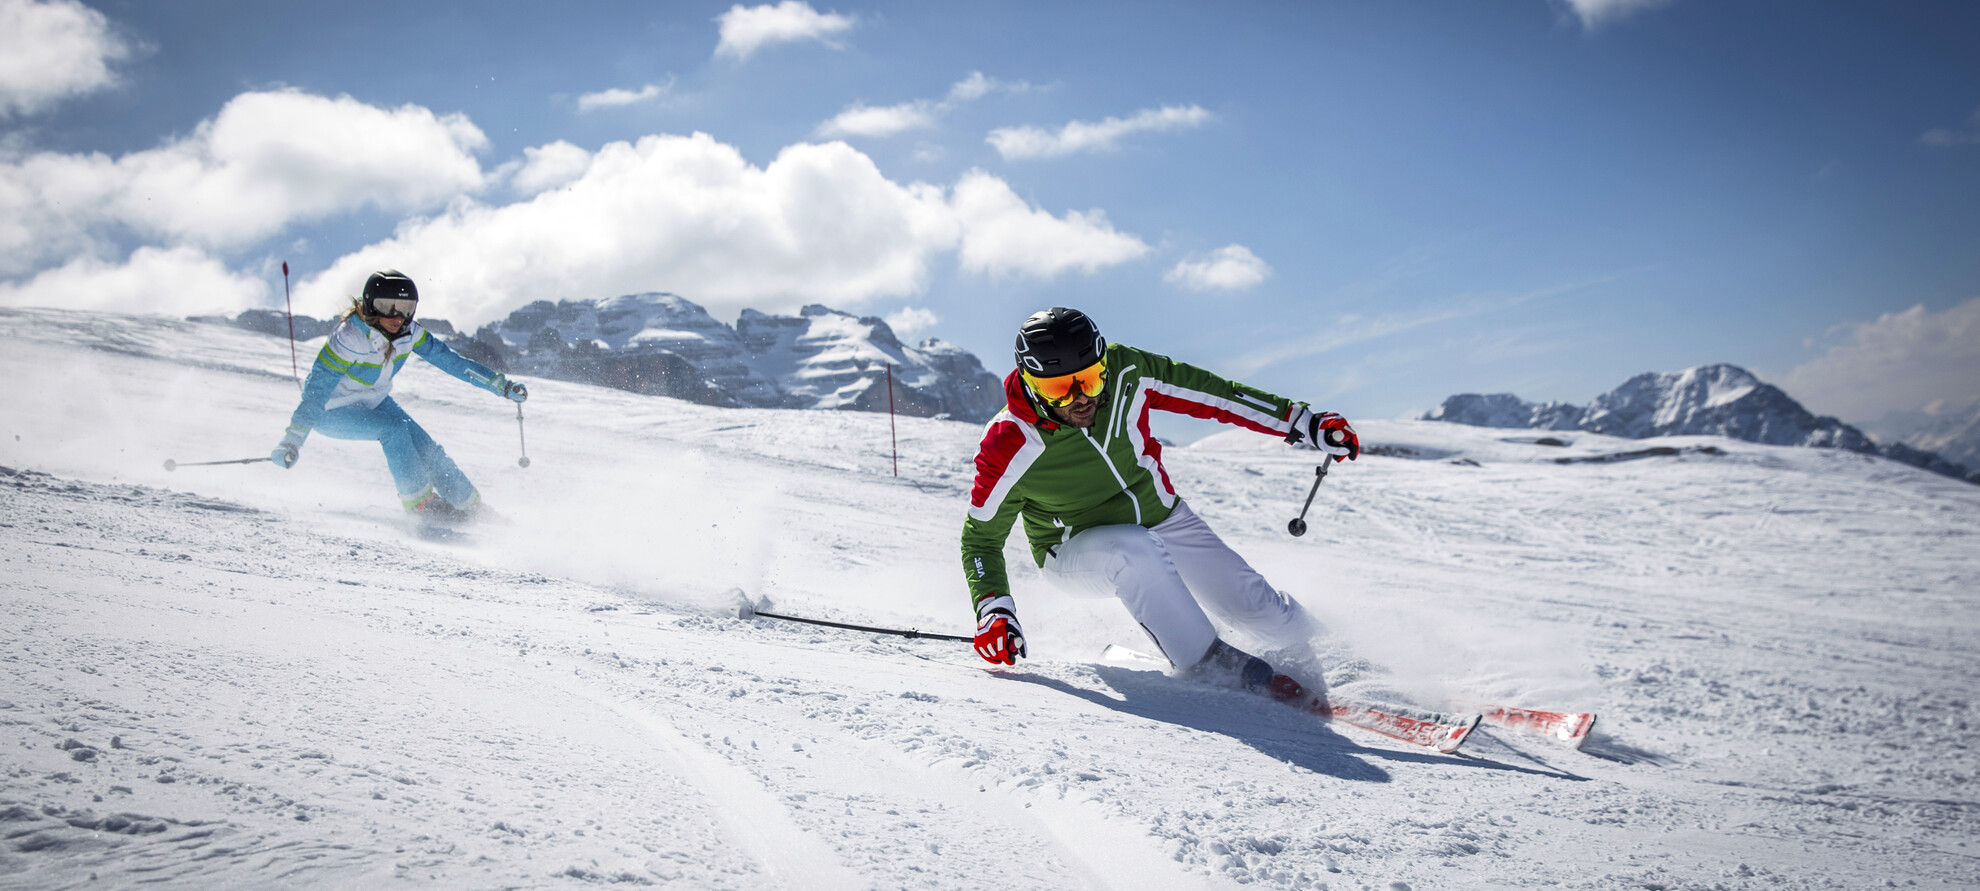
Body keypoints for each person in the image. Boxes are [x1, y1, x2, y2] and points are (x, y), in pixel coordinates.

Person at [960, 307, 1360, 693]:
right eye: (1059, 388)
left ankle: (1349, 666)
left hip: (1163, 518)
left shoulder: (1128, 373)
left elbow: (1217, 395)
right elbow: (981, 540)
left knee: (1267, 613)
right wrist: (994, 610)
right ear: (1031, 383)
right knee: (1133, 551)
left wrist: (1300, 421)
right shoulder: (1009, 442)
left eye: (1090, 379)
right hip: (1071, 552)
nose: (1081, 397)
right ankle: (1209, 664)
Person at [271, 269, 529, 523]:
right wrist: (291, 442)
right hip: (331, 411)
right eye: (387, 306)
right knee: (393, 431)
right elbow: (315, 392)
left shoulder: (409, 333)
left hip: (374, 401)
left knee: (427, 448)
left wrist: (501, 385)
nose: (398, 317)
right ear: (372, 306)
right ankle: (419, 505)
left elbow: (450, 361)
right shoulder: (349, 338)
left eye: (406, 308)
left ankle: (471, 508)